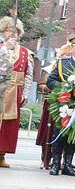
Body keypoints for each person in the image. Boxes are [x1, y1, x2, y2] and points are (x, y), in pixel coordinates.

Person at [46, 37, 75, 176]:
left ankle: (68, 164)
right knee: (59, 134)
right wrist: (63, 88)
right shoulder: (62, 63)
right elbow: (50, 81)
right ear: (71, 49)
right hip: (64, 104)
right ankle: (56, 163)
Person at [0, 16, 34, 169]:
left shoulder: (26, 52)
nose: (12, 34)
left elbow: (28, 74)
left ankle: (1, 154)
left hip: (15, 92)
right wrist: (4, 48)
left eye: (15, 31)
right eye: (8, 31)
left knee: (8, 126)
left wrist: (25, 93)